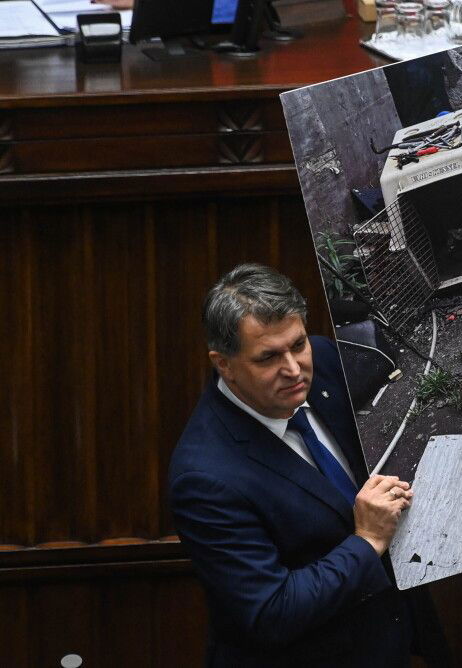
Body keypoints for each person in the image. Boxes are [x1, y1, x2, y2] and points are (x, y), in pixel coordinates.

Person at [169, 263, 446, 667]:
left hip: (391, 637)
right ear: (224, 364)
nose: (294, 369)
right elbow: (272, 611)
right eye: (268, 358)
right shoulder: (204, 477)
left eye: (297, 344)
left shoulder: (325, 360)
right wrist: (366, 540)